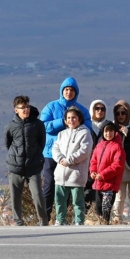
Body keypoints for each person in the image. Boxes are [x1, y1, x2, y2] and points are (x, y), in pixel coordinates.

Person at [40, 77, 92, 222]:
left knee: (72, 188)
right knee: (50, 185)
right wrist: (63, 122)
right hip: (52, 153)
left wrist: (74, 124)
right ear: (62, 91)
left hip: (73, 156)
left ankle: (68, 218)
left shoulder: (82, 110)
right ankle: (45, 218)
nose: (69, 92)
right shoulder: (51, 107)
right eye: (66, 89)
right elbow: (44, 126)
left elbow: (88, 127)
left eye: (72, 90)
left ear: (76, 92)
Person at [4, 96, 47, 226]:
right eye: (23, 108)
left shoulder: (38, 124)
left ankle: (43, 222)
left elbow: (42, 143)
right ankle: (18, 221)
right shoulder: (10, 126)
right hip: (15, 167)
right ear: (16, 110)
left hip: (33, 166)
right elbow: (8, 144)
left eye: (27, 107)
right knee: (15, 196)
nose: (26, 110)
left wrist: (36, 157)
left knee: (38, 195)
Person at [51, 107, 93, 226]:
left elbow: (84, 151)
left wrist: (69, 160)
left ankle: (79, 221)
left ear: (79, 119)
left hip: (76, 174)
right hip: (60, 174)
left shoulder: (85, 133)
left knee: (78, 201)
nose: (71, 120)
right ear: (65, 120)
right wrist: (60, 159)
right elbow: (55, 148)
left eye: (74, 117)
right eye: (68, 118)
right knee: (59, 200)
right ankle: (60, 219)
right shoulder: (61, 134)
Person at [89, 121, 125, 224]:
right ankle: (101, 227)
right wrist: (93, 172)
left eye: (111, 131)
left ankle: (105, 226)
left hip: (110, 184)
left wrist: (103, 174)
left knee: (106, 209)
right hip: (98, 183)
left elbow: (117, 165)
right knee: (98, 208)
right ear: (102, 132)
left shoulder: (118, 147)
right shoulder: (99, 146)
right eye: (106, 131)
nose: (108, 133)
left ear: (115, 132)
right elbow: (93, 161)